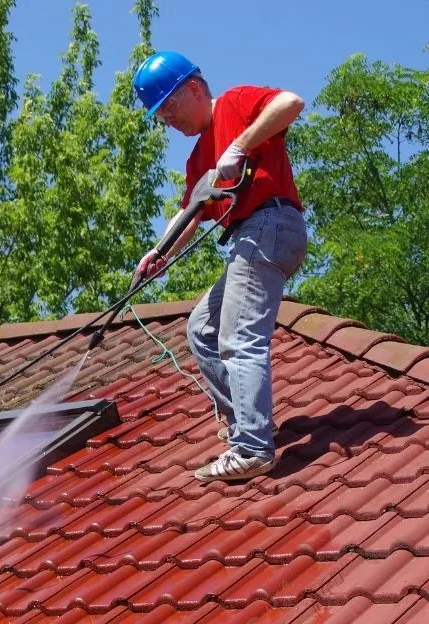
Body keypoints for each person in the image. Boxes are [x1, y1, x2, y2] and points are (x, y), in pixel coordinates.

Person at [132, 51, 308, 482]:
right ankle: (246, 426)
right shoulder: (197, 160)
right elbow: (192, 211)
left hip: (271, 224)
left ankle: (253, 446)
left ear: (194, 88)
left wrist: (240, 145)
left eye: (169, 107)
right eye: (160, 115)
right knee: (202, 330)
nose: (167, 120)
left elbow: (291, 102)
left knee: (237, 336)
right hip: (251, 237)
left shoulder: (234, 103)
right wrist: (160, 252)